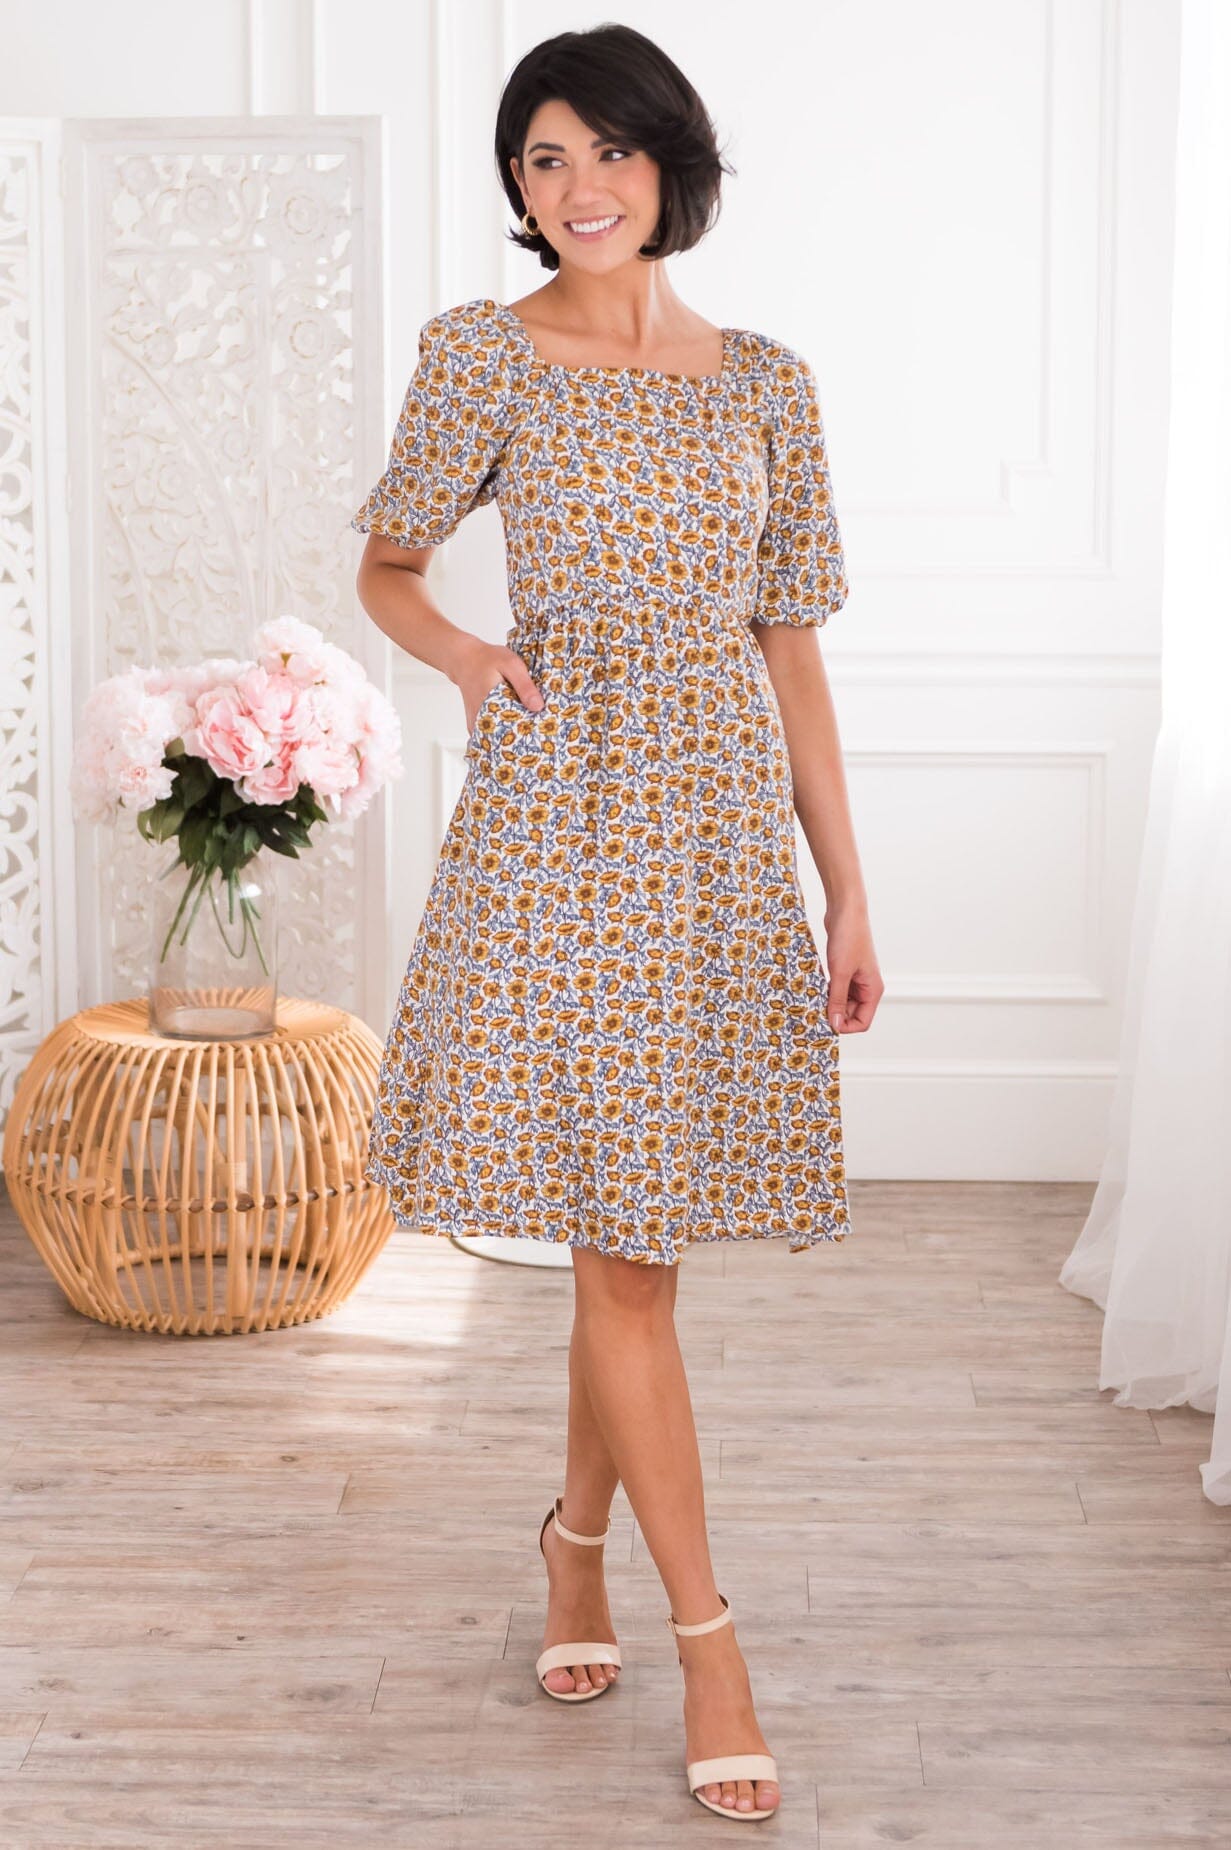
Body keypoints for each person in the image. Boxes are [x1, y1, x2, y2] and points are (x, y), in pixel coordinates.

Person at [352, 21, 883, 1826]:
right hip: (560, 833)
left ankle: (573, 1542)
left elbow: (792, 652)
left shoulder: (769, 383)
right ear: (520, 187)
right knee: (625, 1256)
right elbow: (388, 565)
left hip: (717, 840)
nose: (579, 189)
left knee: (627, 1241)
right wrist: (465, 656)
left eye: (610, 152)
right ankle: (710, 1642)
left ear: (672, 164)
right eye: (545, 159)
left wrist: (846, 885)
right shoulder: (482, 356)